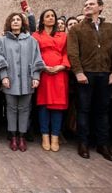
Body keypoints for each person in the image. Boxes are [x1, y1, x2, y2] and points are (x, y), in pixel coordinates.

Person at [67, 0, 112, 162]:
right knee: (83, 110)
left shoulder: (110, 28)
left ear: (100, 7)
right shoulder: (77, 29)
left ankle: (103, 144)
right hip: (86, 74)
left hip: (105, 74)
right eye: (85, 5)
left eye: (91, 4)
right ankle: (83, 143)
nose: (87, 7)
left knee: (103, 111)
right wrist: (78, 72)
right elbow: (73, 53)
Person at [0, 12, 45, 152]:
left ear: (23, 23)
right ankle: (13, 136)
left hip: (27, 81)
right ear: (9, 23)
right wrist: (4, 76)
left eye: (18, 19)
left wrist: (36, 77)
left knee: (24, 109)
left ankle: (22, 137)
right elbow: (0, 58)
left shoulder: (31, 41)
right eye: (13, 20)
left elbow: (37, 59)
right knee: (11, 109)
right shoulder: (3, 40)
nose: (16, 22)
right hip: (9, 81)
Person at [32, 9, 70, 152]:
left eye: (52, 16)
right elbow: (34, 54)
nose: (50, 18)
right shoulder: (36, 35)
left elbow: (67, 52)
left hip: (60, 74)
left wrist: (61, 66)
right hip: (43, 73)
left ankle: (55, 136)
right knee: (43, 106)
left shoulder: (64, 35)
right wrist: (43, 66)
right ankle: (45, 136)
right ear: (42, 20)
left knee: (58, 107)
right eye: (47, 16)